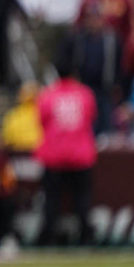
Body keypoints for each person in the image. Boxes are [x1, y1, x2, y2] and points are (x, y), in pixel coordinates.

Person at [36, 55, 98, 245]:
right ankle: (85, 236)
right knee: (82, 200)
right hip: (80, 154)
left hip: (54, 154)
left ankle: (50, 236)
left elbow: (42, 121)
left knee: (52, 200)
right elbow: (91, 117)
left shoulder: (48, 95)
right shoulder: (85, 94)